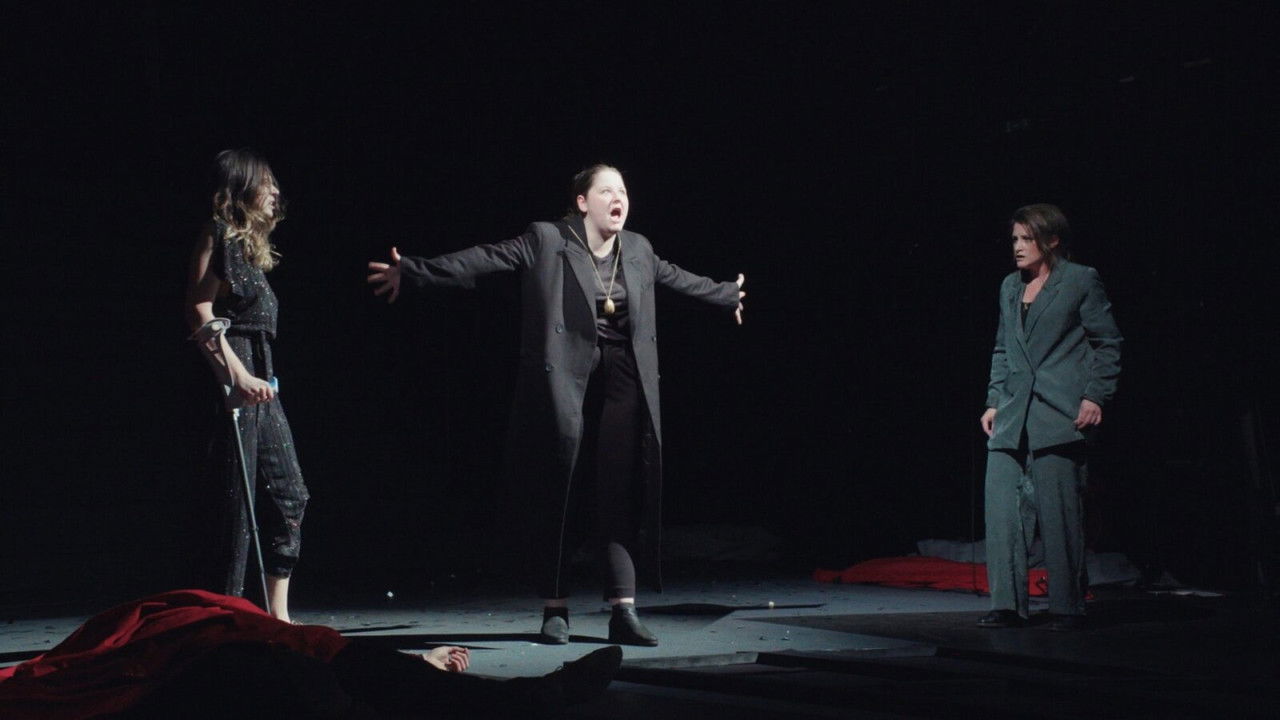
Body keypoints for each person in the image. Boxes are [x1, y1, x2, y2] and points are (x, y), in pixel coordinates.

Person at [366, 164, 745, 646]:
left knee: (619, 490)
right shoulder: (547, 240)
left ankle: (623, 609)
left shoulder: (638, 249)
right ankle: (555, 607)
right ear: (582, 202)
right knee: (560, 487)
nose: (619, 198)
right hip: (565, 378)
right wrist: (415, 270)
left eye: (623, 190)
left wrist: (726, 294)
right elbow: (484, 258)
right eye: (607, 190)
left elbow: (679, 278)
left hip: (623, 380)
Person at [0, 589, 622, 719]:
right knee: (322, 675)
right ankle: (529, 696)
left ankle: (527, 696)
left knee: (331, 675)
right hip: (206, 669)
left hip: (219, 661)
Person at [977, 204, 1122, 631]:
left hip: (1059, 411)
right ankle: (1007, 605)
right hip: (1012, 411)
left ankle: (1066, 605)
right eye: (1015, 239)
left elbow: (1107, 342)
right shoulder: (1009, 286)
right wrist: (993, 400)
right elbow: (1002, 348)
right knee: (1002, 511)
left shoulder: (1080, 280)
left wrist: (1095, 395)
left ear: (1052, 240)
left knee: (1060, 514)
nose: (1018, 247)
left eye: (1027, 239)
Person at [185, 149, 309, 622]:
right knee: (235, 506)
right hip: (231, 376)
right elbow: (198, 309)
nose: (275, 191)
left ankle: (277, 617)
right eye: (266, 182)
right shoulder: (215, 233)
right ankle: (225, 618)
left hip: (261, 380)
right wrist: (235, 375)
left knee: (289, 494)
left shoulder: (249, 252)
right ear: (240, 188)